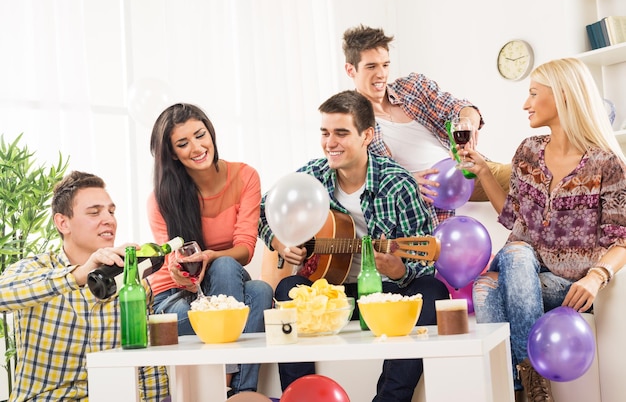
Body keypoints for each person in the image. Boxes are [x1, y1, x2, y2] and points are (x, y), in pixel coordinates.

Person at [258, 90, 450, 402]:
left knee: (432, 291)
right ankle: (303, 397)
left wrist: (400, 270)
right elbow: (263, 211)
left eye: (341, 133)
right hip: (332, 297)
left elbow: (425, 260)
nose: (330, 143)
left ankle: (389, 399)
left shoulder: (397, 183)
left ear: (366, 136)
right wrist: (278, 241)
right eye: (325, 133)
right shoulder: (311, 176)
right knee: (288, 292)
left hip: (387, 295)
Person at [467, 58, 626, 402]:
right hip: (520, 266)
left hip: (565, 286)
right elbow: (514, 218)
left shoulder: (606, 164)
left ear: (565, 96)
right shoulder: (528, 151)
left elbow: (623, 238)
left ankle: (515, 388)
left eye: (533, 93)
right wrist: (483, 173)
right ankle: (531, 386)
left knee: (486, 288)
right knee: (517, 253)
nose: (525, 103)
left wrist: (596, 277)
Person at [0, 170, 169, 401]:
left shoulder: (129, 281)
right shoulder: (35, 269)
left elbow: (147, 365)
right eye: (94, 212)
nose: (109, 219)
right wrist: (79, 275)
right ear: (62, 223)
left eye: (111, 211)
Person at [147, 102, 273, 396]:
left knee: (259, 290)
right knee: (230, 270)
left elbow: (245, 248)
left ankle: (236, 392)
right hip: (175, 302)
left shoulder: (245, 176)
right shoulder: (161, 198)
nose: (197, 147)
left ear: (211, 133)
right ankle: (229, 383)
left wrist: (212, 257)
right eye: (183, 143)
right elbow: (171, 264)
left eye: (200, 135)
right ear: (173, 154)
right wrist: (182, 275)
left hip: (220, 292)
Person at [342, 24, 512, 221]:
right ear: (350, 69)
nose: (381, 74)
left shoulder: (413, 87)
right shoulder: (350, 121)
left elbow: (460, 108)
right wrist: (403, 183)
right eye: (371, 66)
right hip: (429, 199)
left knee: (530, 174)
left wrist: (467, 122)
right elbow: (357, 181)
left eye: (385, 65)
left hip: (465, 169)